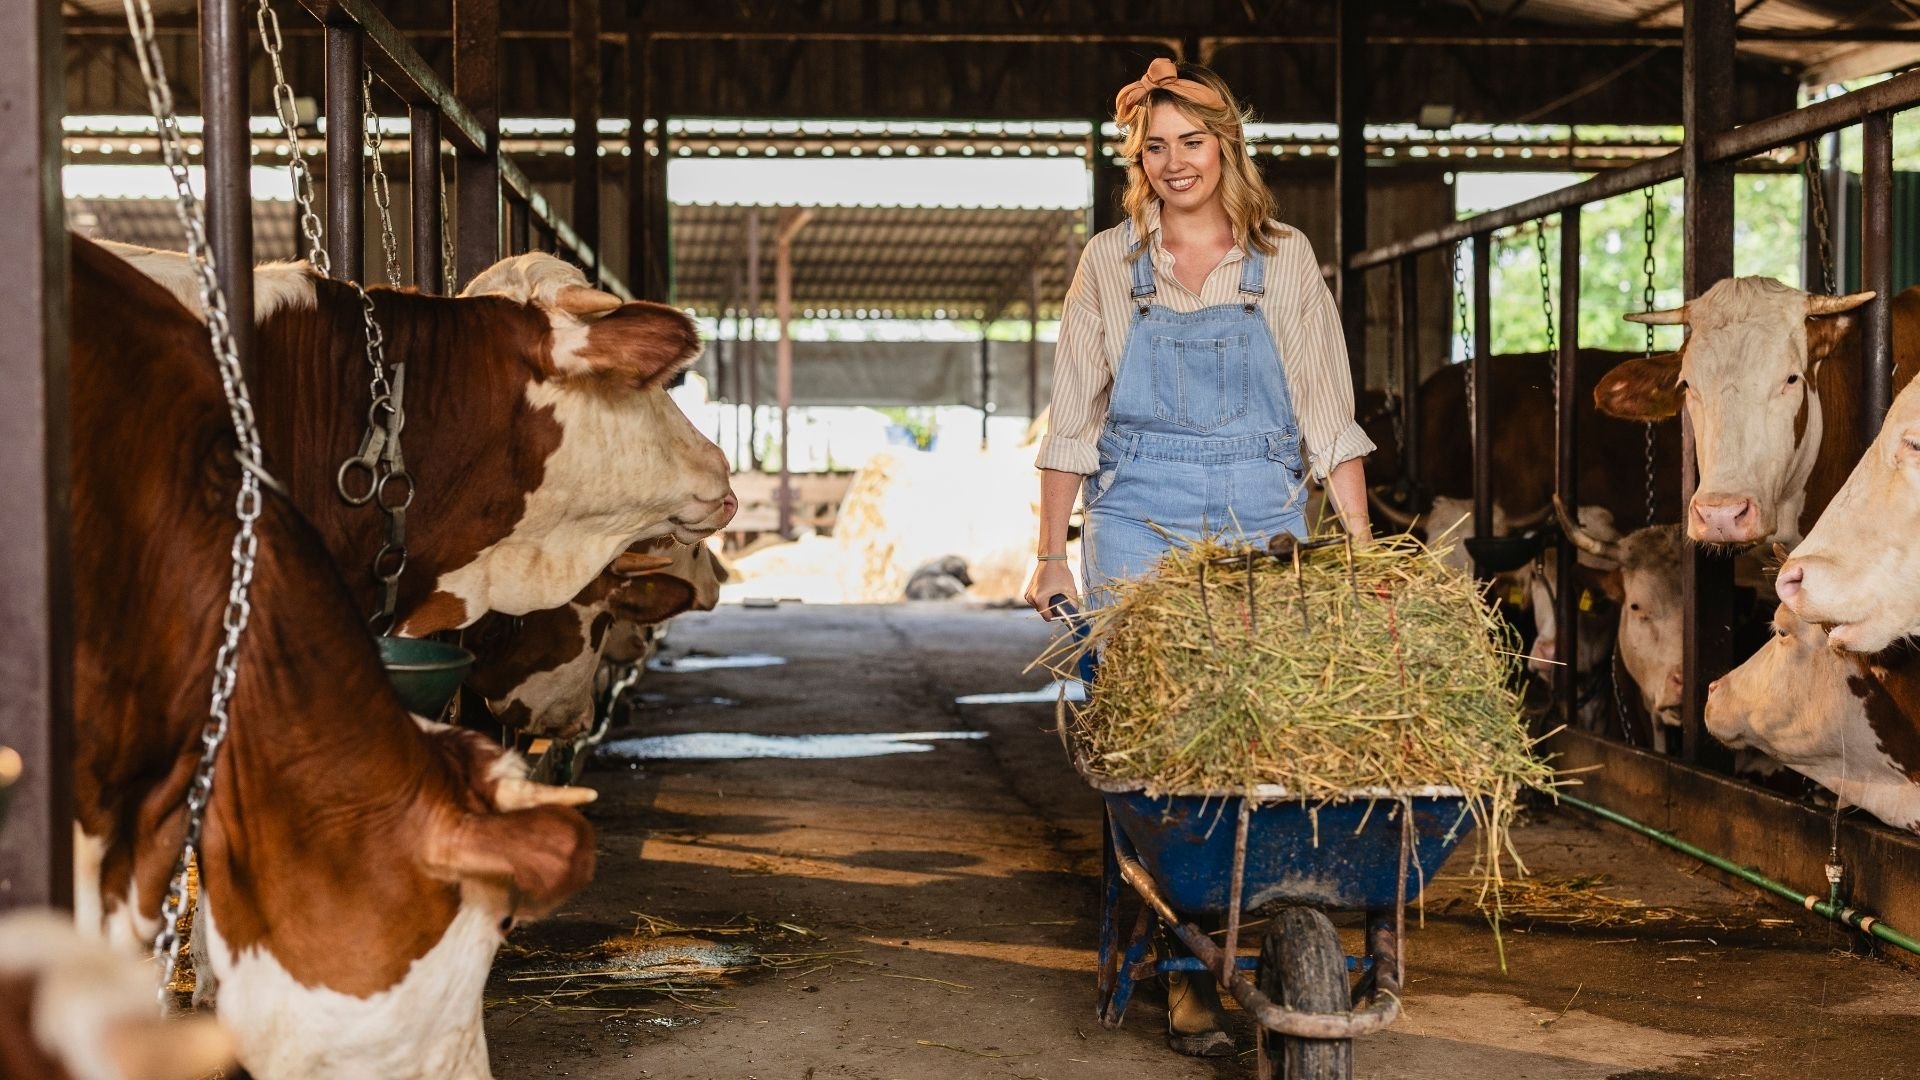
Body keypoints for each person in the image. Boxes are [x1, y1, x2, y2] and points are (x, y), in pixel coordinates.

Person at [1022, 58, 1375, 1056]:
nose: (1175, 163)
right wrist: (1052, 553)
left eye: (1193, 142)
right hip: (1136, 515)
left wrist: (1360, 549)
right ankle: (1183, 958)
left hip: (1262, 514)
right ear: (1137, 159)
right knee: (1161, 736)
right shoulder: (1109, 262)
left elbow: (1328, 418)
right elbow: (1071, 423)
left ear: (1228, 145)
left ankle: (1234, 931)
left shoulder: (1284, 259)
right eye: (1156, 147)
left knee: (1260, 732)